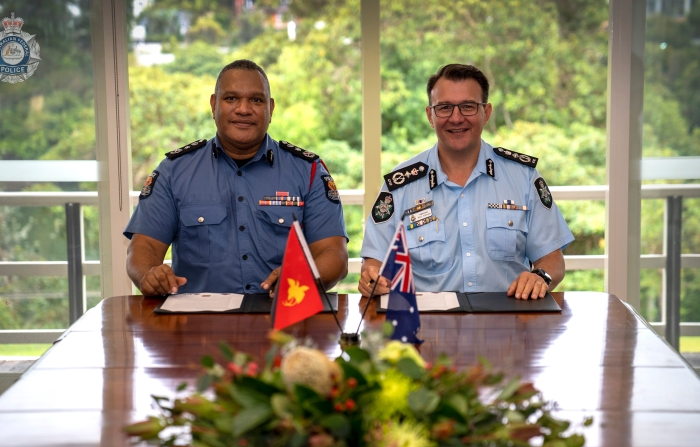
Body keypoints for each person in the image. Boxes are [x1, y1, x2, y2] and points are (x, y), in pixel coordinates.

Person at [124, 60, 348, 296]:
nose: (243, 109)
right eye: (231, 98)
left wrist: (303, 275)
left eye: (256, 100)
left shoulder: (308, 171)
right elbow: (142, 248)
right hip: (197, 323)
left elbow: (335, 255)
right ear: (213, 105)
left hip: (283, 318)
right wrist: (150, 274)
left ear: (270, 108)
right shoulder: (174, 171)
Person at [359, 64, 573, 300]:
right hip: (427, 327)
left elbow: (552, 259)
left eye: (468, 107)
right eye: (444, 108)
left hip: (510, 321)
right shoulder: (400, 186)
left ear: (486, 112)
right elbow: (374, 262)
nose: (456, 118)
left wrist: (540, 276)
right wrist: (372, 278)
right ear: (430, 115)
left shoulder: (523, 177)